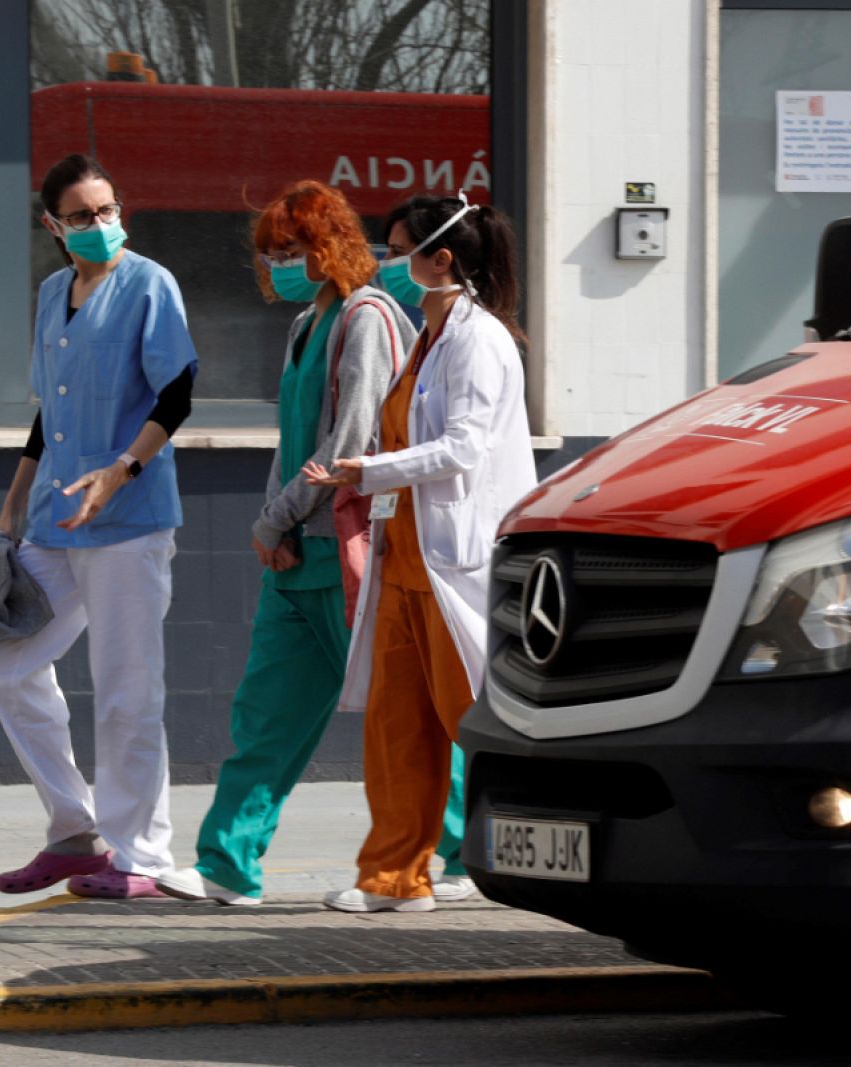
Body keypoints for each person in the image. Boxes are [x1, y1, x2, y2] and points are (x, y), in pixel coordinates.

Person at [155, 181, 412, 906]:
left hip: (347, 551)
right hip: (300, 554)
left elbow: (351, 442)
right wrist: (275, 521)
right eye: (272, 254)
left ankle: (438, 859)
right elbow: (292, 441)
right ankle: (226, 864)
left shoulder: (367, 318)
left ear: (332, 246)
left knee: (397, 717)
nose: (280, 265)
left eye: (293, 250)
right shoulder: (308, 325)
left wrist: (281, 518)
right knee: (265, 717)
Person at [304, 194, 535, 912]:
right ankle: (395, 877)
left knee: (474, 718)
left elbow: (464, 447)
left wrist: (369, 470)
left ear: (441, 260)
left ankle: (536, 860)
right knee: (395, 722)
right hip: (404, 558)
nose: (388, 261)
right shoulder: (423, 339)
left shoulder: (478, 340)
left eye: (399, 247)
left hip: (454, 561)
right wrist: (370, 474)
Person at [0, 154, 197, 899]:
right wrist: (13, 506)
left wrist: (121, 471)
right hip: (52, 519)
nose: (101, 224)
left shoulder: (150, 283)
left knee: (126, 687)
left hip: (129, 519)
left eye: (107, 209)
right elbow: (51, 412)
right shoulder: (51, 293)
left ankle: (143, 856)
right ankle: (75, 829)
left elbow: (178, 390)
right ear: (53, 225)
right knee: (5, 667)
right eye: (82, 215)